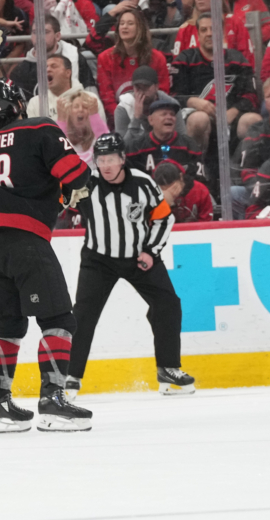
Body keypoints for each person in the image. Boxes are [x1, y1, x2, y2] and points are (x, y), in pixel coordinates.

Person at [0, 79, 94, 433]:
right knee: (59, 321)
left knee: (8, 326)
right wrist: (73, 189)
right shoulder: (39, 127)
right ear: (19, 104)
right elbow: (75, 173)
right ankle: (53, 400)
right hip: (26, 242)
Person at [66, 133, 193, 399]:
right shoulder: (86, 183)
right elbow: (57, 202)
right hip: (98, 260)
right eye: (101, 160)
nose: (106, 165)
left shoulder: (143, 183)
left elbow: (163, 219)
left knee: (168, 303)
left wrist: (150, 251)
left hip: (139, 259)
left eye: (111, 159)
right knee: (83, 316)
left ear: (123, 159)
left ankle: (168, 369)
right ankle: (70, 376)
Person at [172, 12, 260, 154]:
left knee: (253, 121)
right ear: (198, 35)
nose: (209, 34)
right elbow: (173, 96)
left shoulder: (238, 59)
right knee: (199, 120)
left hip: (232, 117)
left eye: (213, 29)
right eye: (204, 30)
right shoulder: (185, 59)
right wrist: (193, 102)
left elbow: (252, 96)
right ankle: (197, 167)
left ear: (222, 33)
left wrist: (233, 111)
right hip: (195, 115)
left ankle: (244, 168)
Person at [96, 6, 170, 119]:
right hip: (119, 118)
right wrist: (123, 117)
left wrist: (148, 117)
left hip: (152, 117)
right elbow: (107, 98)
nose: (124, 27)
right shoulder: (105, 57)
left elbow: (162, 92)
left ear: (140, 28)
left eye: (130, 23)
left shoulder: (157, 58)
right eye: (122, 23)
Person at [124, 98, 207, 182]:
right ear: (151, 120)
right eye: (164, 114)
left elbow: (200, 182)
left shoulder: (189, 146)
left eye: (172, 114)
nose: (169, 117)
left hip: (181, 193)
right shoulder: (134, 148)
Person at [114, 64, 178, 136]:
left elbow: (182, 139)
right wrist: (136, 118)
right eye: (138, 87)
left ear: (156, 87)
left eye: (146, 86)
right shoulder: (124, 107)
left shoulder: (171, 105)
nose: (141, 91)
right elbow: (124, 145)